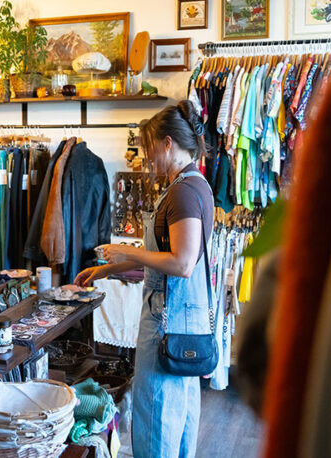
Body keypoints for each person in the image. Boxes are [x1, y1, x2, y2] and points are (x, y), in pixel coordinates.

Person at [75, 100, 214, 458]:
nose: (148, 157)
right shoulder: (195, 183)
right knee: (177, 414)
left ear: (168, 143)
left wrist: (128, 253)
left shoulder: (183, 192)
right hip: (184, 318)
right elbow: (166, 261)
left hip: (168, 321)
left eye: (150, 147)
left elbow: (182, 263)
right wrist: (107, 270)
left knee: (156, 415)